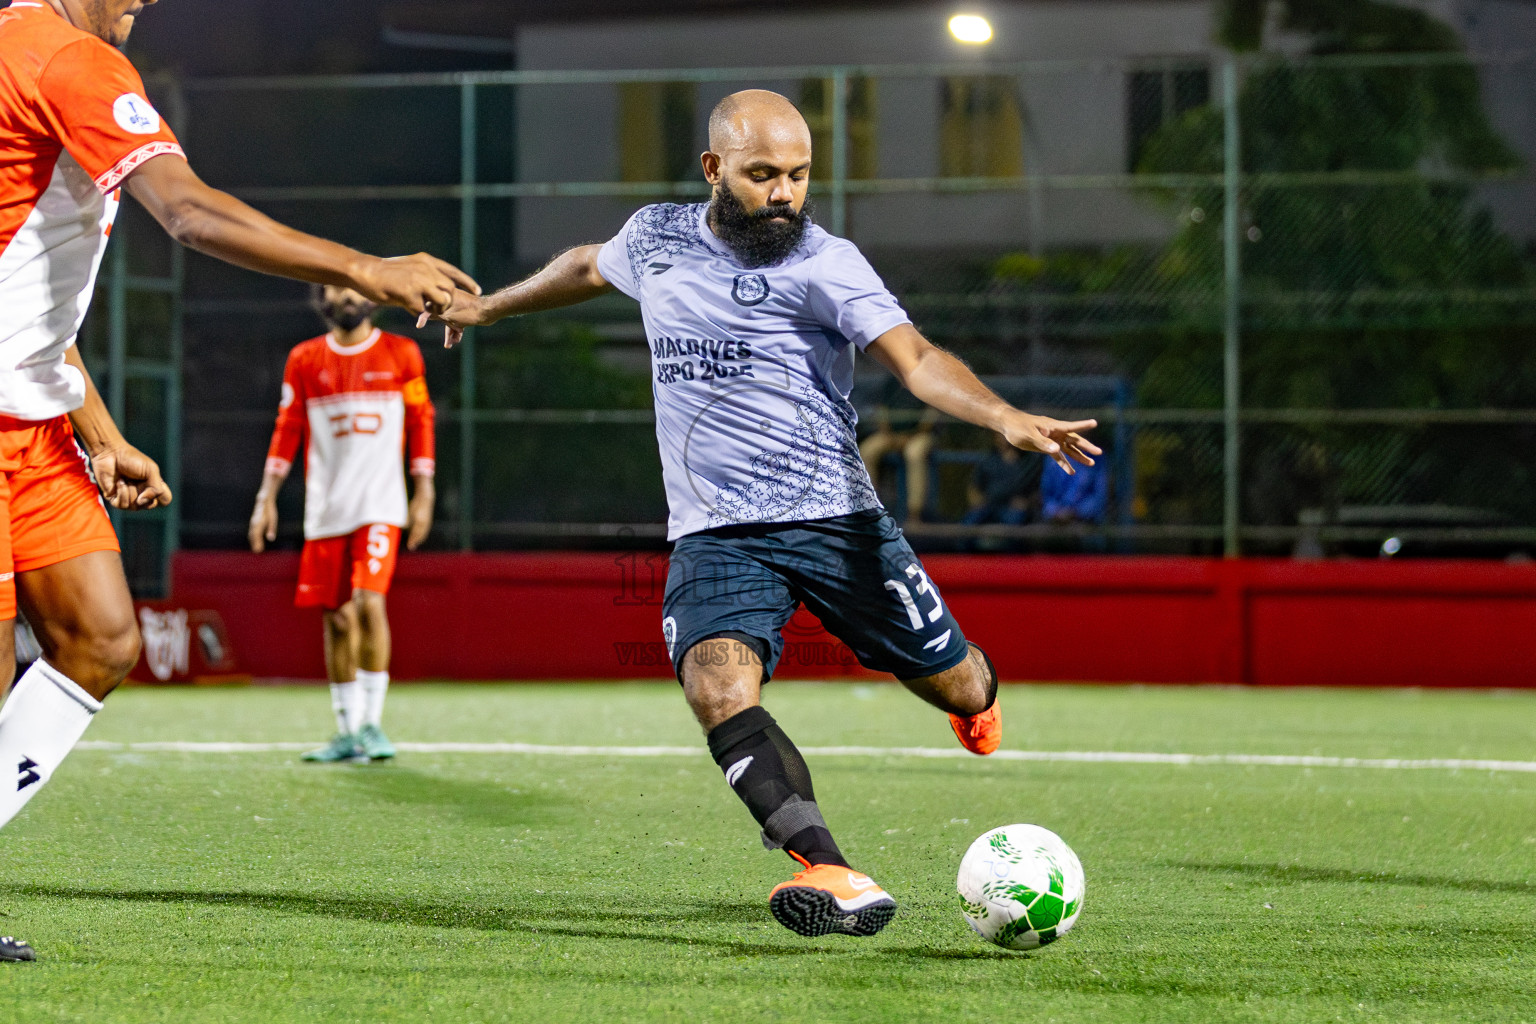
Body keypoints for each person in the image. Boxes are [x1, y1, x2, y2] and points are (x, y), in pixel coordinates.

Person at [423, 89, 1098, 939]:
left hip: (836, 521)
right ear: (713, 169)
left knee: (954, 676)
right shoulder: (658, 238)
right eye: (762, 175)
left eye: (799, 175)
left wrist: (1002, 415)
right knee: (714, 682)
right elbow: (590, 266)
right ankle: (830, 867)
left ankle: (972, 696)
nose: (784, 193)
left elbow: (916, 359)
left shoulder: (828, 262)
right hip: (714, 533)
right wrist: (487, 306)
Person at [0, 0, 475, 963]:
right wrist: (366, 267)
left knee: (97, 638)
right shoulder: (65, 60)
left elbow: (19, 287)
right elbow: (187, 210)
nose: (147, 0)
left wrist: (98, 429)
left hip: (36, 425)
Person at [248, 286, 436, 764]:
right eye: (335, 286)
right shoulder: (305, 359)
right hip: (327, 510)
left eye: (354, 286)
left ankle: (373, 725)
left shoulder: (402, 353)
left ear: (371, 297)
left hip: (381, 504)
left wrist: (425, 491)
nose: (346, 295)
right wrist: (266, 497)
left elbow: (421, 421)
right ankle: (347, 732)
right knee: (336, 617)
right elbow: (287, 426)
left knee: (368, 601)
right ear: (321, 297)